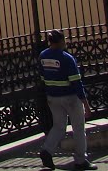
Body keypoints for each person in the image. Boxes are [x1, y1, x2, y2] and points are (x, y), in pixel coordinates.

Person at [39, 29, 97, 170]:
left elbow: (42, 77)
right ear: (61, 41)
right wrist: (86, 105)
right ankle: (80, 160)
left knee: (59, 126)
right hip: (70, 98)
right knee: (78, 128)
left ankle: (46, 150)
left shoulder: (43, 56)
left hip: (53, 97)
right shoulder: (67, 58)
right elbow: (77, 83)